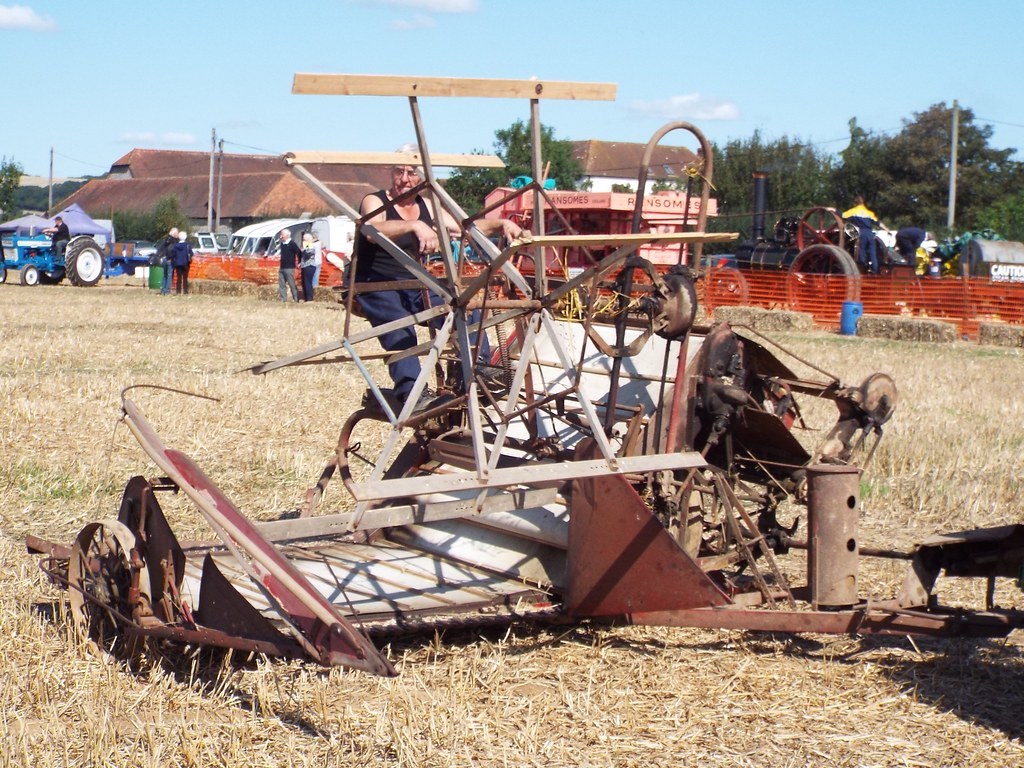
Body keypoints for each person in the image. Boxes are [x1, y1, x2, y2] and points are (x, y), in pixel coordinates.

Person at [355, 147, 522, 412]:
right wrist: (413, 226)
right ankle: (413, 393)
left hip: (415, 283)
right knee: (400, 329)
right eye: (399, 171)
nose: (405, 179)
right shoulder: (375, 201)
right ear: (391, 172)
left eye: (412, 172)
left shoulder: (427, 206)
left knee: (464, 307)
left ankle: (475, 370)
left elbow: (464, 226)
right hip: (375, 283)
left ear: (422, 178)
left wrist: (501, 223)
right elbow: (373, 230)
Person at [841, 196, 885, 274]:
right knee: (872, 253)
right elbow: (878, 223)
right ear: (863, 203)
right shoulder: (869, 212)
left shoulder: (853, 211)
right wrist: (887, 230)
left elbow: (842, 215)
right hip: (870, 234)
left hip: (862, 232)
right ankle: (875, 271)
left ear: (855, 203)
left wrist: (834, 210)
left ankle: (862, 270)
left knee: (861, 251)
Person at [277, 229, 301, 302]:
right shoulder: (282, 244)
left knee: (291, 284)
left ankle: (296, 299)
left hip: (289, 267)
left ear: (287, 235)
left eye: (282, 235)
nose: (281, 236)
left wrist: (299, 262)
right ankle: (283, 299)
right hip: (282, 267)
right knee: (281, 284)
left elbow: (299, 252)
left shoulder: (292, 244)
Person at [156, 227, 178, 295]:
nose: (178, 234)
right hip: (169, 259)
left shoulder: (165, 240)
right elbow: (170, 250)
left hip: (163, 258)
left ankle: (163, 290)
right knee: (169, 275)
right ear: (174, 233)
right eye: (177, 233)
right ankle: (167, 291)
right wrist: (170, 258)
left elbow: (160, 249)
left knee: (165, 275)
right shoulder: (173, 241)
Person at [299, 231, 319, 302]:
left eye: (304, 239)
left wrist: (304, 248)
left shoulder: (310, 245)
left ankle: (310, 299)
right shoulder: (307, 245)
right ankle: (306, 298)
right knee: (304, 283)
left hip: (309, 266)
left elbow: (309, 253)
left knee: (308, 283)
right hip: (304, 266)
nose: (303, 241)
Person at [170, 230, 193, 294]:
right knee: (185, 278)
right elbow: (191, 253)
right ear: (185, 237)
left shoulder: (175, 246)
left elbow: (173, 254)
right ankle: (185, 291)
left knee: (178, 278)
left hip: (177, 263)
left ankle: (178, 291)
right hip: (185, 263)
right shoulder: (187, 245)